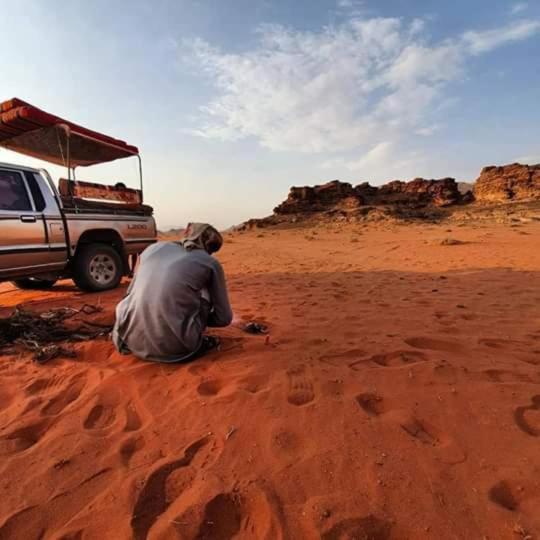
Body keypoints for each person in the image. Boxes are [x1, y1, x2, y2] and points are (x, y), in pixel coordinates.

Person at [112, 223, 233, 362]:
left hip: (129, 339)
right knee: (204, 288)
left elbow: (129, 294)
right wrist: (196, 319)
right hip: (177, 348)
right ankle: (180, 330)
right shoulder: (210, 262)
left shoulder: (152, 249)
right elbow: (224, 318)